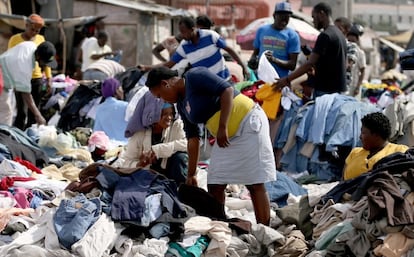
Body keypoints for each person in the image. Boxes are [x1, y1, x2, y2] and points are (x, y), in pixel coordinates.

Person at [145, 66, 276, 225]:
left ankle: (264, 230)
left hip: (248, 123)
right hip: (225, 136)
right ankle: (220, 224)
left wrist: (223, 126)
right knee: (215, 182)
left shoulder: (194, 76)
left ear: (165, 84)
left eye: (160, 96)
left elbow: (226, 90)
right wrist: (191, 174)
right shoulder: (181, 105)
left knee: (254, 182)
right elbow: (193, 139)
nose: (163, 100)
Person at [139, 16, 249, 81]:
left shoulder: (210, 35)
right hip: (206, 85)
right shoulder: (184, 46)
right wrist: (147, 67)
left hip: (224, 80)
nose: (182, 35)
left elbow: (229, 49)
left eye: (184, 32)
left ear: (192, 29)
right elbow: (169, 64)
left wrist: (243, 66)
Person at [274, 2, 347, 98]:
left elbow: (309, 64)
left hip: (325, 92)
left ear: (321, 14)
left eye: (313, 17)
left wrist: (287, 80)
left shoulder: (325, 35)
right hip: (339, 91)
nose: (313, 21)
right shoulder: (339, 34)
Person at [114, 103, 188, 184]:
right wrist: (139, 164)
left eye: (171, 114)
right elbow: (125, 161)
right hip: (148, 176)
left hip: (171, 173)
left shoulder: (176, 125)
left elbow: (186, 144)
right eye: (164, 114)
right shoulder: (140, 133)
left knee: (180, 157)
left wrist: (157, 150)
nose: (169, 118)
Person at [7, 14, 53, 130]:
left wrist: (49, 78)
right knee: (21, 112)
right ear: (26, 26)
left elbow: (46, 61)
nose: (34, 33)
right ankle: (17, 134)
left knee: (34, 111)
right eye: (32, 29)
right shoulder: (15, 39)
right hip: (20, 78)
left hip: (36, 78)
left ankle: (29, 135)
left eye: (37, 31)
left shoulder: (40, 39)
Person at [0, 41, 57, 127]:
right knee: (6, 114)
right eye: (45, 63)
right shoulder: (25, 67)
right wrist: (38, 115)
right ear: (38, 57)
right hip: (1, 80)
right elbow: (26, 94)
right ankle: (3, 138)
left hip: (4, 77)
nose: (45, 66)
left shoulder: (32, 45)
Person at [343, 112, 409, 180]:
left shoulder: (400, 151)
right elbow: (342, 181)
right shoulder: (355, 153)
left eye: (363, 133)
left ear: (376, 135)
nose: (360, 137)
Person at [248, 2, 300, 79]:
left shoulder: (293, 36)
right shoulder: (261, 30)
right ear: (274, 15)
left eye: (287, 16)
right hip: (261, 78)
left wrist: (274, 60)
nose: (284, 18)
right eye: (281, 15)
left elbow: (292, 65)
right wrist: (252, 61)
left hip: (280, 81)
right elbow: (255, 54)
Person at [93, 78, 128, 143]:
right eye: (120, 88)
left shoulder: (99, 108)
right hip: (126, 146)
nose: (122, 91)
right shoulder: (126, 106)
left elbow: (97, 132)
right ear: (116, 90)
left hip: (108, 147)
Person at [347, 24, 366, 98]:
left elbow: (363, 71)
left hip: (354, 86)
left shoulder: (360, 53)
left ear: (357, 40)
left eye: (353, 41)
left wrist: (358, 87)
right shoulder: (344, 50)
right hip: (345, 85)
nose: (351, 43)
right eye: (349, 40)